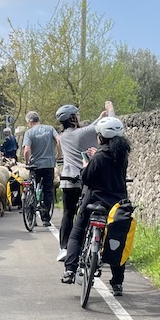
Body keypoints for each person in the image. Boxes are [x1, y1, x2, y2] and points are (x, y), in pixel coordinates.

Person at [61, 116, 131, 295]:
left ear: (100, 137)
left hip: (94, 201)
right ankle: (117, 283)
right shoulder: (122, 155)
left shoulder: (98, 157)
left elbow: (86, 178)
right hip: (117, 205)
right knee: (117, 238)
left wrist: (87, 163)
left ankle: (70, 269)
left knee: (77, 233)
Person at [53, 100, 115, 262]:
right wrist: (110, 109)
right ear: (73, 118)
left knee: (68, 213)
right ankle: (88, 246)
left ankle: (64, 248)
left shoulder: (64, 136)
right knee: (84, 215)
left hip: (67, 181)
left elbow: (89, 128)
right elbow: (109, 128)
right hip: (84, 181)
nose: (79, 117)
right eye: (77, 115)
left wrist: (98, 117)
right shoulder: (83, 133)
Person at [21, 110, 57, 226]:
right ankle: (45, 218)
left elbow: (26, 150)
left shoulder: (29, 133)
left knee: (32, 186)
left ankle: (31, 216)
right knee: (47, 190)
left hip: (35, 165)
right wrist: (59, 155)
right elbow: (59, 140)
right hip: (49, 164)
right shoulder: (50, 128)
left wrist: (27, 162)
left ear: (30, 122)